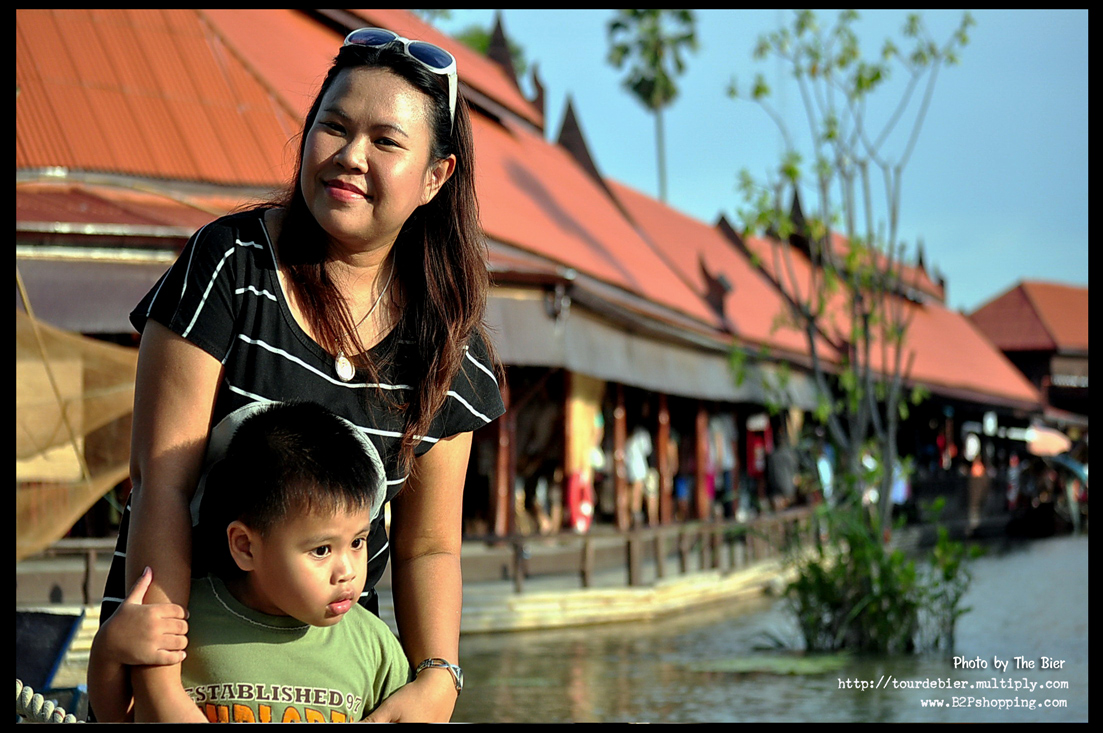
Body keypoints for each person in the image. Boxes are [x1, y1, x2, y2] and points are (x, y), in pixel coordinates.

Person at [97, 27, 504, 722]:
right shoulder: (230, 265)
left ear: (435, 177)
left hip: (332, 690)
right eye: (334, 127)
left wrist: (437, 679)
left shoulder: (445, 346)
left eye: (385, 141)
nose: (350, 156)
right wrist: (161, 688)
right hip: (190, 675)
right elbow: (162, 481)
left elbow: (430, 546)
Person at [89, 402, 412, 722]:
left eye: (357, 542)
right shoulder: (183, 623)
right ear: (245, 547)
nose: (348, 572)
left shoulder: (374, 645)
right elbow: (121, 718)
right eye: (321, 550)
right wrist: (109, 651)